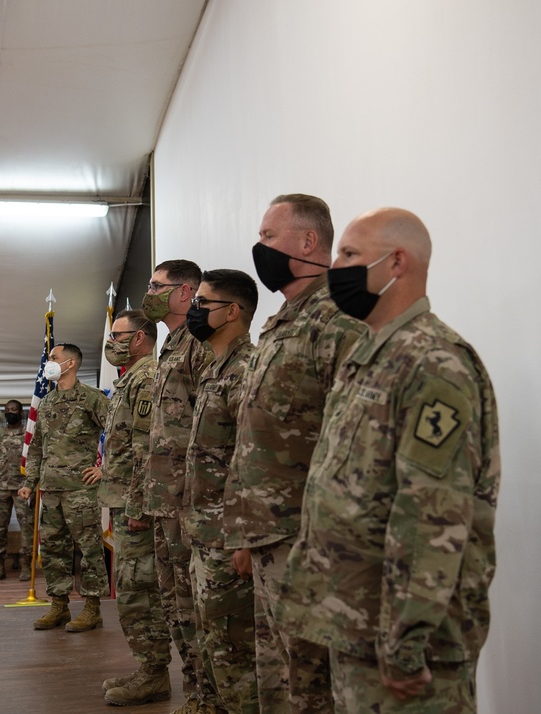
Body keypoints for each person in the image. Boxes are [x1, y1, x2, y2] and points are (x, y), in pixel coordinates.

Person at [276, 208, 501, 712]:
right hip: (355, 621)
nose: (336, 268)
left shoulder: (433, 363)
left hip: (401, 641)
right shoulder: (371, 354)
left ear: (396, 262)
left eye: (351, 255)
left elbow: (431, 514)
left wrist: (405, 638)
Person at [224, 194, 361, 713]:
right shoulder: (283, 321)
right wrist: (245, 533)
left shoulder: (338, 319)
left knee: (315, 685)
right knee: (278, 679)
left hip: (308, 541)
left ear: (308, 242)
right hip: (269, 535)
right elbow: (256, 434)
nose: (259, 248)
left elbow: (348, 437)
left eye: (267, 237)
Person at [85, 310, 173, 706]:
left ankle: (154, 674)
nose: (110, 342)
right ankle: (148, 668)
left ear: (139, 338)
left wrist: (139, 505)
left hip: (136, 506)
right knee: (133, 590)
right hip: (123, 500)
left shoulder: (148, 377)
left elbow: (147, 449)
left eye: (116, 335)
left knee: (139, 592)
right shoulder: (129, 380)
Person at [181, 269, 259, 713]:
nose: (195, 310)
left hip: (229, 540)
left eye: (203, 303)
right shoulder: (215, 369)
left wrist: (244, 538)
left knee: (235, 658)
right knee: (213, 649)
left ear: (232, 311)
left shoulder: (246, 370)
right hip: (205, 535)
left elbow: (252, 461)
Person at [141, 259, 213, 714]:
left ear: (185, 292)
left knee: (196, 606)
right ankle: (193, 693)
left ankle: (208, 697)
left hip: (191, 501)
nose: (149, 292)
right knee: (175, 605)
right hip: (164, 500)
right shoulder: (169, 346)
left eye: (156, 285)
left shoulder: (199, 345)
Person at [18, 343, 109, 632]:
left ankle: (92, 609)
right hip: (51, 490)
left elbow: (119, 435)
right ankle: (59, 606)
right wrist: (29, 483)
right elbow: (36, 449)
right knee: (54, 551)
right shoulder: (46, 403)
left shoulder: (93, 399)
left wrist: (103, 468)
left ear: (70, 364)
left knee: (89, 550)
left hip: (81, 490)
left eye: (54, 358)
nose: (49, 363)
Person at [0, 399, 34, 581]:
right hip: (0, 488)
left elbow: (35, 462)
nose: (10, 412)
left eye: (13, 409)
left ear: (21, 413)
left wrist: (33, 487)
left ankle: (26, 566)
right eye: (7, 410)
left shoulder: (28, 436)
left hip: (23, 488)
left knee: (27, 529)